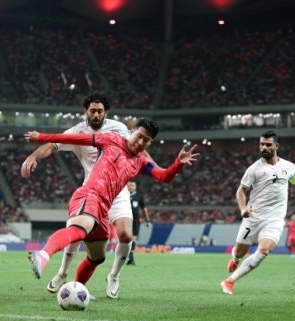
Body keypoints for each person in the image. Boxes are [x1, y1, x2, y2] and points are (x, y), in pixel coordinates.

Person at [24, 119, 198, 295]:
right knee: (78, 231)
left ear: (149, 143)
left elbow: (163, 176)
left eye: (145, 140)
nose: (140, 142)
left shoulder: (141, 161)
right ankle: (43, 255)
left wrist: (178, 163)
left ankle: (75, 290)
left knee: (97, 257)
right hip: (90, 194)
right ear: (132, 132)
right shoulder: (110, 139)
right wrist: (41, 137)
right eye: (139, 136)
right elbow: (75, 138)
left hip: (104, 207)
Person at [21, 92, 139, 299]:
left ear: (106, 113)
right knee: (76, 231)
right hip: (92, 190)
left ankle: (113, 276)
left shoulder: (118, 129)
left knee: (125, 236)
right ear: (85, 111)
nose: (96, 115)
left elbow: (135, 150)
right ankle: (62, 273)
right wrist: (33, 156)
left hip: (118, 192)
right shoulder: (78, 131)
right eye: (92, 111)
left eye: (100, 111)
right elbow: (53, 145)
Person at [221, 130, 295, 295]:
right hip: (253, 217)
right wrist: (243, 208)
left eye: (268, 144)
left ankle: (229, 281)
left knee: (264, 250)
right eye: (262, 144)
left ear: (276, 146)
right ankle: (235, 258)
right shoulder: (254, 169)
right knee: (240, 251)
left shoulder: (289, 167)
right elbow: (241, 191)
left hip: (275, 219)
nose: (264, 147)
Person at [126, 181, 150, 265]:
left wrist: (148, 220)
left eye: (133, 185)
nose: (131, 186)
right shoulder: (124, 196)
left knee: (134, 238)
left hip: (135, 220)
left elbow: (144, 209)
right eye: (130, 185)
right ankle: (129, 257)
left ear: (135, 187)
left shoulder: (139, 197)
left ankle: (130, 257)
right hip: (126, 219)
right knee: (127, 238)